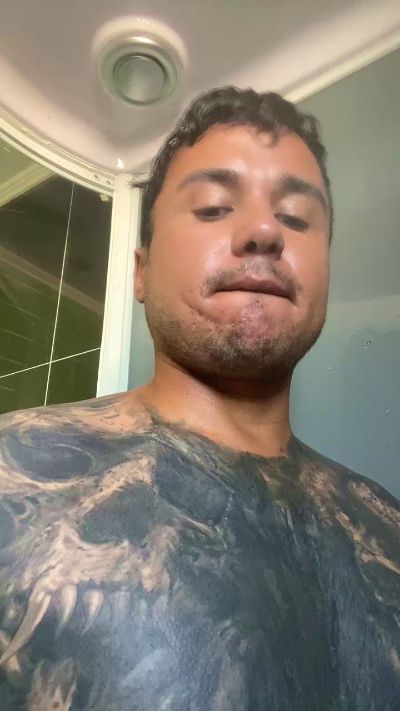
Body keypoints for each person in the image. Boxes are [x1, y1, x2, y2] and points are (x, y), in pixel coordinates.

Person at [0, 86, 399, 711]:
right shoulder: (12, 474)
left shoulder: (387, 526)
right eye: (214, 207)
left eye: (296, 218)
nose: (264, 230)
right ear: (140, 270)